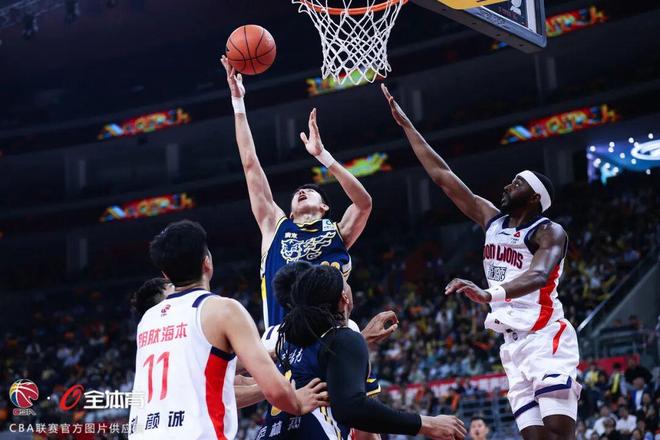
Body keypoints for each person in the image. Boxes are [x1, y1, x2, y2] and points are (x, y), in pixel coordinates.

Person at [383, 84, 581, 440]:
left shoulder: (548, 231)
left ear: (534, 198)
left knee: (558, 432)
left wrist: (489, 295)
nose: (507, 186)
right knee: (535, 437)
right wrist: (407, 126)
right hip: (512, 345)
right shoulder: (493, 220)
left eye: (516, 183)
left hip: (545, 336)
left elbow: (539, 275)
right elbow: (444, 178)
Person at [128, 220, 327, 439]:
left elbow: (210, 370)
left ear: (165, 274)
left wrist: (277, 352)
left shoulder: (147, 320)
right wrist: (296, 402)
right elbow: (273, 388)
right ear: (207, 262)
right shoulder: (223, 310)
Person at [221, 56, 373, 329]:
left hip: (330, 337)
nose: (302, 191)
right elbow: (250, 163)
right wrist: (238, 102)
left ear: (325, 208)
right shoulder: (275, 226)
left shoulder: (338, 232)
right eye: (298, 192)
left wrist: (324, 157)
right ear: (290, 212)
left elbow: (363, 203)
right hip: (284, 340)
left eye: (310, 191)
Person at [256, 261, 467, 439]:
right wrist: (426, 424)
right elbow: (352, 408)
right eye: (346, 282)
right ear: (344, 298)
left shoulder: (287, 342)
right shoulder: (344, 337)